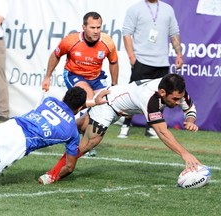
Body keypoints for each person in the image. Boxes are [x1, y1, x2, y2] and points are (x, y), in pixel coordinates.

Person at [39, 74, 202, 185]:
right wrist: (184, 153)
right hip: (109, 105)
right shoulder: (150, 98)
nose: (177, 102)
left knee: (79, 125)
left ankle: (43, 128)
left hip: (118, 101)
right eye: (174, 99)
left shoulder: (175, 90)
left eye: (179, 98)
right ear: (162, 92)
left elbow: (189, 108)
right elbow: (162, 132)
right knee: (88, 144)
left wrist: (190, 120)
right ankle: (52, 175)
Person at [0, 87, 88, 182]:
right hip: (19, 141)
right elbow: (69, 167)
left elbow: (66, 107)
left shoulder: (49, 100)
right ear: (81, 108)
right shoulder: (71, 131)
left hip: (10, 125)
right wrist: (51, 178)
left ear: (64, 96)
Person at [42, 11, 119, 157]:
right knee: (89, 97)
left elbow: (114, 62)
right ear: (83, 27)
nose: (96, 31)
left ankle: (78, 135)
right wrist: (47, 77)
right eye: (92, 27)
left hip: (96, 77)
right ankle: (80, 141)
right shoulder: (71, 40)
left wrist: (114, 85)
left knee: (104, 104)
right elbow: (56, 55)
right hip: (74, 74)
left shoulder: (107, 42)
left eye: (98, 27)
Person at [118, 0, 183, 139]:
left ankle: (151, 127)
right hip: (141, 60)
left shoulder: (167, 9)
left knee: (160, 97)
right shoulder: (134, 9)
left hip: (161, 61)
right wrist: (132, 57)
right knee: (132, 93)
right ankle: (126, 124)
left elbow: (174, 34)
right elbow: (126, 33)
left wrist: (179, 54)